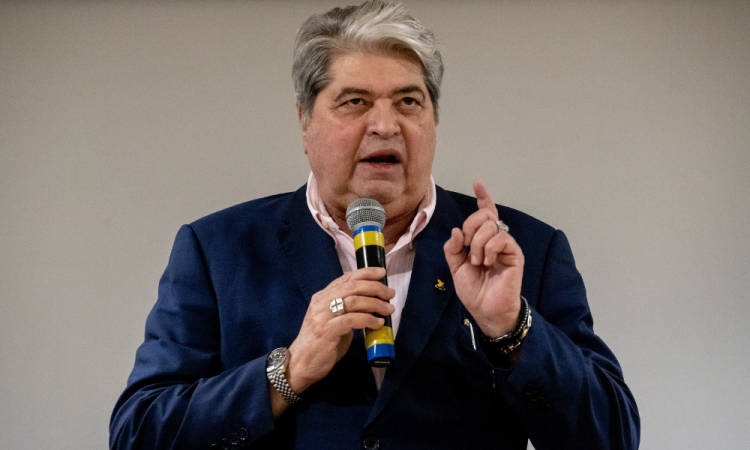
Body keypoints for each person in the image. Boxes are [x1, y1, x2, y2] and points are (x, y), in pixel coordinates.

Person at [110, 1, 640, 449]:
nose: (385, 125)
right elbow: (138, 433)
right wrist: (287, 372)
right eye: (355, 102)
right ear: (304, 122)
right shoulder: (218, 250)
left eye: (409, 102)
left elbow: (613, 437)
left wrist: (512, 329)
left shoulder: (523, 251)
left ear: (433, 120)